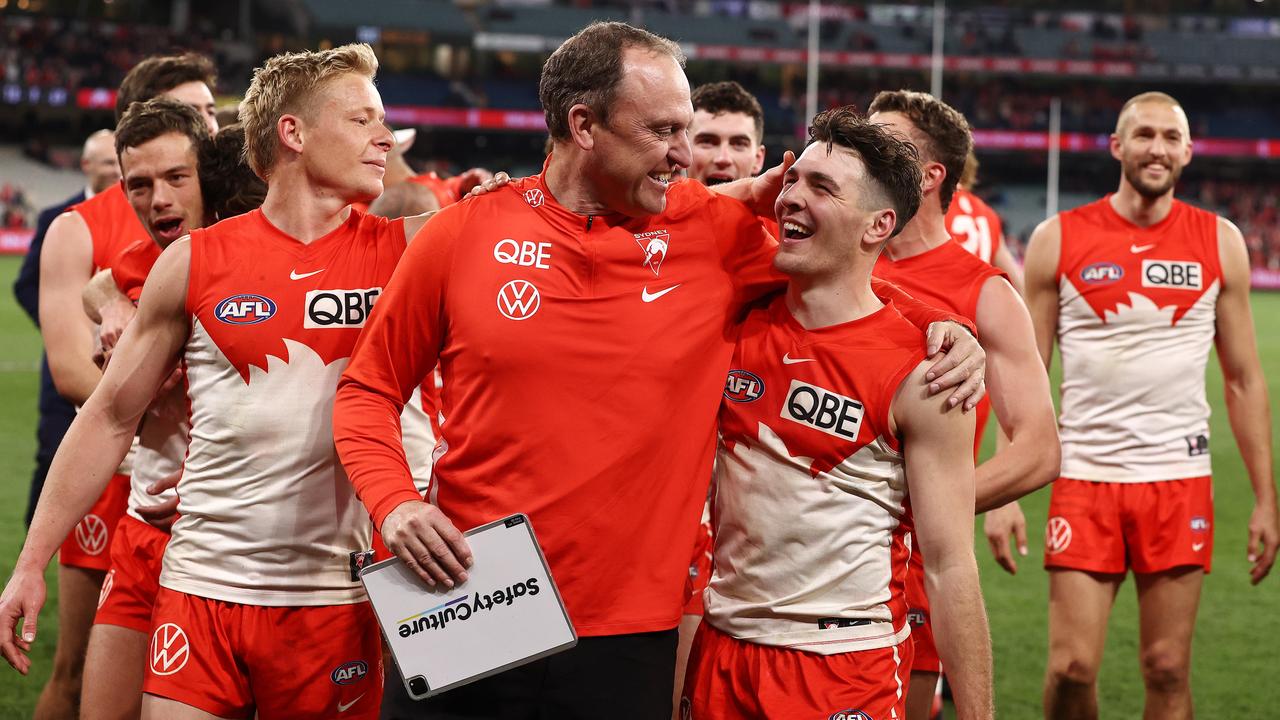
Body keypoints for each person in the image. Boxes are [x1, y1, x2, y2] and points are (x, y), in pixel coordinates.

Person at [333, 22, 985, 719]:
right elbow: (367, 390)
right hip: (468, 599)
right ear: (584, 125)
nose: (685, 154)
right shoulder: (461, 235)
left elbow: (838, 273)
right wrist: (394, 503)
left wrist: (940, 324)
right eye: (664, 130)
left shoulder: (712, 235)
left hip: (626, 633)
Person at [0, 43, 433, 719]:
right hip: (199, 587)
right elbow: (109, 416)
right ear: (293, 133)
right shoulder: (194, 262)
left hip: (334, 599)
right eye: (363, 120)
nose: (384, 137)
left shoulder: (416, 249)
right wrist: (30, 563)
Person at [683, 104, 994, 720]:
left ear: (878, 224)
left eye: (821, 187)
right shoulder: (734, 320)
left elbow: (952, 565)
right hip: (721, 649)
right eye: (793, 179)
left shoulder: (925, 374)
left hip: (842, 666)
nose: (791, 196)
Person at [1024, 91, 1278, 720]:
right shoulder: (1058, 238)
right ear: (1117, 146)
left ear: (1188, 151)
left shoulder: (1219, 241)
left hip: (1179, 480)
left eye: (1170, 137)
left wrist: (1266, 498)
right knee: (1071, 669)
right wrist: (1004, 494)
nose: (1156, 148)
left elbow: (1244, 380)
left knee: (1167, 669)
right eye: (1143, 135)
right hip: (1084, 477)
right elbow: (1025, 376)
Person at [26, 52, 217, 720]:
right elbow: (74, 371)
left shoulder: (235, 214)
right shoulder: (83, 228)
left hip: (213, 498)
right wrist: (138, 412)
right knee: (78, 669)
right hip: (119, 472)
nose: (211, 124)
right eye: (195, 112)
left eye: (212, 112)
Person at [866, 89, 1060, 720]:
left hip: (911, 569)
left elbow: (1037, 449)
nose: (864, 153)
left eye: (885, 142)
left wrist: (926, 506)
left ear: (928, 176)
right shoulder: (825, 264)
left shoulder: (982, 293)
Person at [12, 129, 119, 527]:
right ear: (86, 165)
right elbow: (25, 284)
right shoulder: (59, 217)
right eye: (107, 163)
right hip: (70, 364)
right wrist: (64, 328)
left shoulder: (140, 212)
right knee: (53, 454)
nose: (115, 170)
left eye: (118, 162)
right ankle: (36, 549)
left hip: (118, 358)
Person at [946, 149, 1025, 294]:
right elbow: (1017, 283)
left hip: (940, 304)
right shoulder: (988, 214)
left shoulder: (933, 206)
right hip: (976, 307)